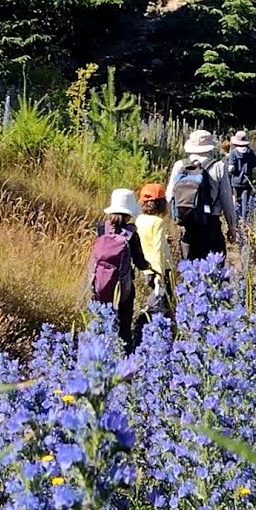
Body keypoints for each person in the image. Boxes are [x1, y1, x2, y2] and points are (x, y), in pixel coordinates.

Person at [88, 188, 152, 348]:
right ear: (129, 213)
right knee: (124, 326)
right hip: (123, 287)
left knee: (100, 321)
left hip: (99, 285)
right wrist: (150, 267)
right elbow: (139, 262)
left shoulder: (101, 228)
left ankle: (97, 352)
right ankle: (124, 357)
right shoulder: (131, 234)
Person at [166, 129, 238, 262]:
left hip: (187, 223)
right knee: (213, 270)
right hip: (211, 224)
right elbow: (227, 200)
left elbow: (169, 196)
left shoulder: (180, 165)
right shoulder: (219, 166)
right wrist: (232, 227)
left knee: (189, 266)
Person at [134, 182, 176, 321]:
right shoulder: (158, 222)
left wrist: (164, 238)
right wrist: (160, 275)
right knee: (162, 303)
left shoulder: (140, 219)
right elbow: (158, 249)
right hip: (161, 269)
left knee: (155, 297)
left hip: (146, 268)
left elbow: (145, 238)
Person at [225, 130, 256, 221]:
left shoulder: (233, 152)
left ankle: (236, 218)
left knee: (236, 200)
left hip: (235, 182)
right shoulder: (250, 152)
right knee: (245, 201)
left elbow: (230, 168)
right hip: (247, 181)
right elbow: (255, 164)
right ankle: (244, 219)